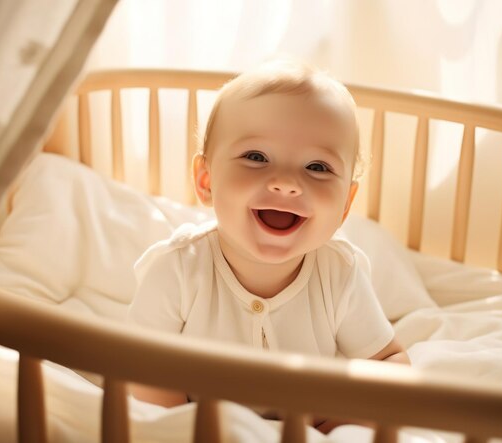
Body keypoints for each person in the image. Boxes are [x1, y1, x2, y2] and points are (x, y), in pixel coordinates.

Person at [127, 59, 409, 433]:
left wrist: (328, 429)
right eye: (256, 157)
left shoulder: (338, 272)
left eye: (318, 167)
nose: (287, 183)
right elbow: (139, 366)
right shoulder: (178, 268)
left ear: (345, 204)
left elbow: (389, 363)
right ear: (206, 180)